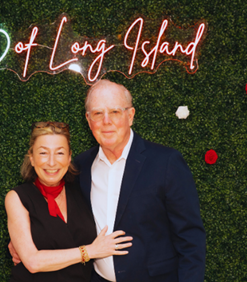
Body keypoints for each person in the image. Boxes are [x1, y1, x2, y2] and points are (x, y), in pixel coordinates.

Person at [74, 80, 205, 282]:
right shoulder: (81, 166)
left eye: (115, 112)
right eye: (98, 113)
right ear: (88, 120)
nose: (106, 121)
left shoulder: (166, 162)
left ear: (130, 115)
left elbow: (190, 238)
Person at [5, 121, 132, 281]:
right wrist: (90, 251)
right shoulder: (17, 197)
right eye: (43, 153)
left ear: (69, 157)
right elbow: (32, 262)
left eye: (59, 153)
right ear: (31, 158)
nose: (51, 162)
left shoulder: (82, 189)